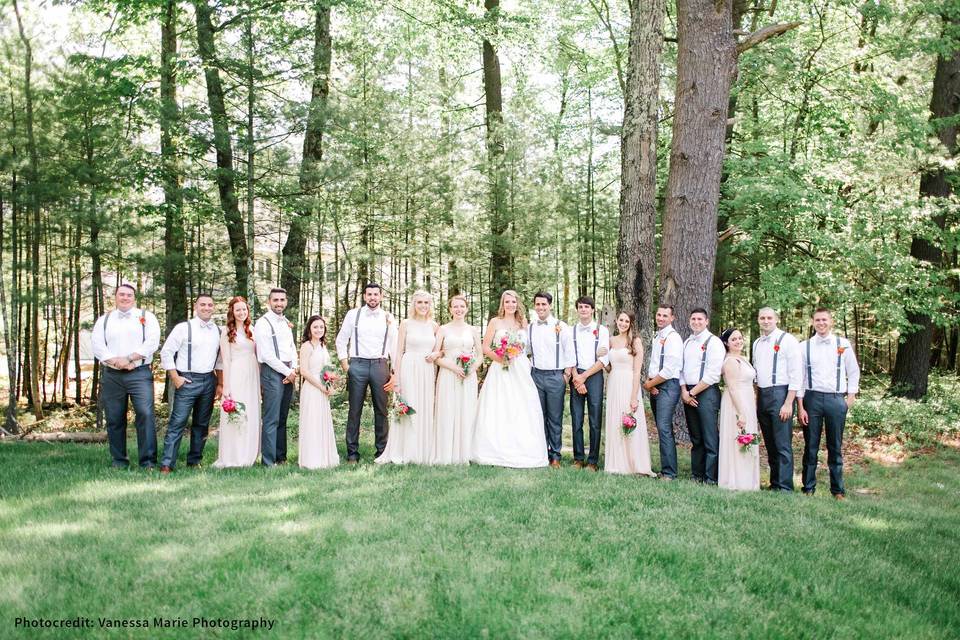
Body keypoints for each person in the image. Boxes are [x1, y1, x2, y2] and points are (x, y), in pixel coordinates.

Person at [472, 290, 548, 468]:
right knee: (499, 406)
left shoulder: (523, 322)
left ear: (517, 303)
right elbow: (485, 347)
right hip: (500, 368)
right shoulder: (495, 322)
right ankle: (494, 449)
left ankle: (524, 448)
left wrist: (516, 355)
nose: (510, 305)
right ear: (502, 304)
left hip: (520, 368)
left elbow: (527, 347)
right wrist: (501, 358)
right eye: (507, 302)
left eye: (513, 302)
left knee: (522, 406)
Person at [91, 283, 161, 469]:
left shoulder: (146, 317)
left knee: (145, 415)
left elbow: (152, 342)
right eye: (121, 294)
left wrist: (130, 358)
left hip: (139, 373)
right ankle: (119, 460)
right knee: (114, 418)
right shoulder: (104, 320)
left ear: (134, 298)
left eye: (129, 295)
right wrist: (115, 361)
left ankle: (148, 462)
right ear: (115, 297)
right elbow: (98, 345)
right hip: (113, 374)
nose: (125, 298)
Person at [798, 308, 861, 499]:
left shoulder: (843, 344)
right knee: (811, 446)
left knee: (835, 446)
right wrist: (800, 406)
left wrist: (850, 397)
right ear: (812, 322)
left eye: (824, 319)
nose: (821, 323)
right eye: (817, 320)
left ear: (831, 322)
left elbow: (853, 371)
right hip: (812, 399)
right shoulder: (804, 346)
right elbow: (799, 377)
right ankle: (808, 488)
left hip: (836, 399)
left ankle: (838, 490)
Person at [335, 283, 398, 463]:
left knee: (382, 410)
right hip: (358, 364)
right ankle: (352, 453)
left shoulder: (388, 317)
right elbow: (341, 340)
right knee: (355, 410)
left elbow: (394, 345)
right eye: (369, 294)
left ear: (381, 296)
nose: (372, 297)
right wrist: (346, 365)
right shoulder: (353, 315)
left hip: (380, 364)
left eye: (376, 294)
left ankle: (381, 452)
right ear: (364, 296)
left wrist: (394, 372)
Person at [159, 294, 222, 472]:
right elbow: (166, 352)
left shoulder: (217, 330)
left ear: (214, 307)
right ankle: (167, 464)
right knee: (177, 422)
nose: (207, 308)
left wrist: (220, 383)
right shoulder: (183, 328)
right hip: (186, 379)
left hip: (209, 380)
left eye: (210, 305)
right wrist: (175, 377)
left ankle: (194, 461)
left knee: (202, 424)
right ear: (196, 306)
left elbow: (219, 360)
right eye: (203, 304)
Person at [376, 290, 439, 465]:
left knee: (425, 407)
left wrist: (436, 353)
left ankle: (423, 450)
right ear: (414, 304)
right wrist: (396, 377)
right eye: (419, 302)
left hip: (427, 369)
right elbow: (398, 352)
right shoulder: (405, 324)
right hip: (409, 367)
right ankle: (405, 450)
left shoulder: (434, 326)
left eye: (426, 303)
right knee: (408, 405)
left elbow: (441, 349)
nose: (423, 306)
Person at [752, 307, 802, 492]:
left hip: (781, 394)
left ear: (776, 319)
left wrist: (789, 402)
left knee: (782, 443)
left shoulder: (788, 340)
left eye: (769, 318)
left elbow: (796, 374)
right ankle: (775, 483)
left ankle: (785, 486)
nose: (766, 321)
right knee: (770, 442)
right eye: (762, 318)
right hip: (763, 395)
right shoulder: (757, 342)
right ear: (758, 320)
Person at [432, 294, 482, 464]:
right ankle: (446, 452)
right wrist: (453, 367)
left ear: (466, 309)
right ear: (450, 309)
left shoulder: (473, 330)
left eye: (462, 306)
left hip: (468, 376)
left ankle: (465, 452)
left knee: (466, 411)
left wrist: (471, 369)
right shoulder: (443, 329)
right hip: (447, 374)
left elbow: (481, 356)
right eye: (455, 306)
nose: (459, 309)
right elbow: (436, 356)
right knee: (448, 410)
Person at [603, 312, 654, 476]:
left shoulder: (635, 341)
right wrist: (603, 360)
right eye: (621, 320)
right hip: (613, 382)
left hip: (629, 383)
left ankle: (634, 464)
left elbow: (637, 371)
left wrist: (634, 397)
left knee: (629, 419)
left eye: (627, 321)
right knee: (615, 420)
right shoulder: (611, 340)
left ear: (631, 323)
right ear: (616, 321)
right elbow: (610, 366)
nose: (623, 323)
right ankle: (616, 463)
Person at [213, 296, 261, 468]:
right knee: (238, 411)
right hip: (236, 373)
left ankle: (249, 454)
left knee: (251, 411)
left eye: (244, 309)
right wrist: (225, 385)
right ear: (232, 312)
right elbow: (225, 360)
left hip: (252, 374)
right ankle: (234, 455)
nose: (242, 312)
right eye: (238, 309)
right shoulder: (226, 332)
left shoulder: (252, 330)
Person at [527, 292, 574, 468]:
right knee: (539, 417)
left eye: (543, 304)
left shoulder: (560, 326)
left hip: (556, 376)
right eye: (537, 304)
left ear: (550, 305)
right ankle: (541, 453)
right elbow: (526, 350)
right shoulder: (530, 327)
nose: (540, 308)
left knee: (554, 418)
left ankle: (555, 456)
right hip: (536, 376)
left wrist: (566, 375)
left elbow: (570, 353)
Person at [680, 307, 725, 484]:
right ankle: (697, 474)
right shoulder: (687, 342)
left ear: (706, 321)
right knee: (696, 436)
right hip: (688, 392)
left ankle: (711, 477)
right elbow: (681, 369)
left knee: (709, 437)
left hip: (706, 392)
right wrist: (684, 391)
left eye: (700, 319)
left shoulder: (714, 342)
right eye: (693, 319)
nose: (696, 322)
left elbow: (713, 374)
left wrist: (692, 392)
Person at [253, 288, 298, 466]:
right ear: (269, 302)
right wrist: (288, 372)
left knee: (282, 416)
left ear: (286, 301)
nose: (279, 303)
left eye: (282, 300)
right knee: (272, 418)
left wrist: (293, 368)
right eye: (275, 300)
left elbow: (291, 347)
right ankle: (268, 461)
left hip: (288, 370)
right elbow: (266, 355)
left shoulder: (285, 321)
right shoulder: (262, 323)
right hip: (272, 372)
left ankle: (281, 457)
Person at [568, 296, 610, 471]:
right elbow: (568, 356)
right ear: (577, 310)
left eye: (587, 307)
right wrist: (577, 378)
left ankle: (592, 461)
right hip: (576, 375)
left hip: (594, 376)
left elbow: (604, 359)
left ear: (593, 310)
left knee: (594, 419)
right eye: (580, 307)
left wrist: (584, 377)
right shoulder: (570, 331)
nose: (583, 309)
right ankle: (578, 458)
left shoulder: (602, 331)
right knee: (576, 419)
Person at [642, 304, 683, 480]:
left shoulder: (673, 338)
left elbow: (668, 370)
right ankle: (665, 468)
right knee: (661, 427)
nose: (660, 318)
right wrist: (651, 384)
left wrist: (649, 384)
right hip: (656, 385)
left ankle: (669, 472)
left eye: (665, 316)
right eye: (659, 314)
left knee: (664, 427)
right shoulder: (657, 336)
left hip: (668, 386)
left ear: (672, 318)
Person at [717, 328, 760, 491]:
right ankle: (736, 480)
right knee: (738, 436)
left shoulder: (741, 358)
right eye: (734, 339)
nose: (738, 341)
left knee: (747, 434)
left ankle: (748, 479)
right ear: (727, 343)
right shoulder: (730, 362)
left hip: (747, 399)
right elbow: (733, 388)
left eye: (740, 338)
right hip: (736, 402)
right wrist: (741, 412)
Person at [297, 315, 340, 469]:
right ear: (309, 328)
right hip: (312, 387)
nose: (318, 330)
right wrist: (321, 386)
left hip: (323, 388)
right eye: (315, 327)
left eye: (321, 327)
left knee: (321, 421)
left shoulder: (323, 345)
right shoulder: (307, 346)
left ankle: (324, 457)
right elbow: (304, 371)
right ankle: (312, 459)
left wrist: (331, 381)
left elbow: (326, 369)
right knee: (312, 421)